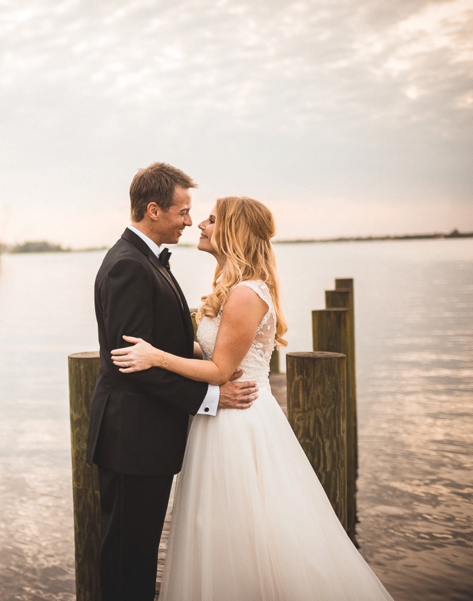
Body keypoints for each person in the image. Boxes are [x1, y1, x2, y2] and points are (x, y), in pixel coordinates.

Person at [111, 196, 394, 600]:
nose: (199, 225)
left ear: (233, 231)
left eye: (211, 219)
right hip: (217, 419)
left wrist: (156, 357)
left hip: (238, 421)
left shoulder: (246, 293)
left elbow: (221, 371)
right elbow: (212, 352)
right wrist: (162, 343)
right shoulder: (231, 287)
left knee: (244, 528)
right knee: (219, 528)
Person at [86, 163, 259, 601]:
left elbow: (166, 346)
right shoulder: (129, 266)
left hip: (145, 438)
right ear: (153, 210)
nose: (189, 220)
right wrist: (211, 397)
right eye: (183, 211)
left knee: (138, 555)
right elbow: (134, 364)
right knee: (128, 558)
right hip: (132, 439)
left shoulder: (148, 261)